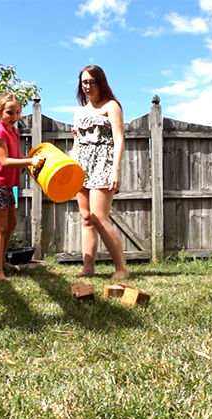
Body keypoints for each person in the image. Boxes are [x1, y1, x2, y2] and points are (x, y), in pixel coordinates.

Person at [71, 65, 129, 280]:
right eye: (84, 82)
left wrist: (115, 170)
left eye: (92, 82)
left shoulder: (111, 106)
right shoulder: (79, 112)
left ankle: (121, 268)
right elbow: (77, 144)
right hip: (82, 166)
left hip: (103, 163)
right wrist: (70, 167)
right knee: (86, 218)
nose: (88, 86)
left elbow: (119, 138)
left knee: (98, 217)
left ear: (101, 83)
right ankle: (88, 268)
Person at [0, 93, 45, 281]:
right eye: (10, 112)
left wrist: (32, 160)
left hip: (8, 183)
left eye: (18, 112)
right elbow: (4, 161)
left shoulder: (14, 130)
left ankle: (1, 261)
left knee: (11, 224)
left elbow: (16, 156)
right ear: (0, 112)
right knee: (1, 227)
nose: (15, 116)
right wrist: (30, 161)